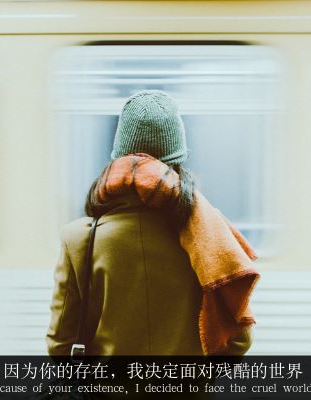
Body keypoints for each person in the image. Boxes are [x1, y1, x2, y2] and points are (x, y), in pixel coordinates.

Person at [47, 90, 259, 356]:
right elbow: (238, 340)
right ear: (177, 160)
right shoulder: (206, 234)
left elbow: (60, 344)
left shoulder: (78, 240)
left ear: (119, 158)